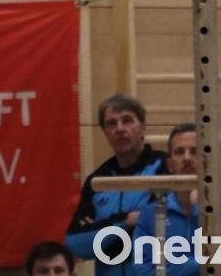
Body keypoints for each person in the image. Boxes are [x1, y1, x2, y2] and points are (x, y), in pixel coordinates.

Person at [66, 94, 168, 276]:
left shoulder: (165, 167)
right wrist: (126, 221)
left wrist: (102, 235)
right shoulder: (97, 180)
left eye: (127, 120)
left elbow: (163, 232)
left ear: (143, 128)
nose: (119, 129)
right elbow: (75, 242)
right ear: (105, 132)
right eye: (111, 123)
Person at [132, 123, 221, 276]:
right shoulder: (149, 214)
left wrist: (200, 211)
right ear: (170, 164)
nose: (187, 158)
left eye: (195, 152)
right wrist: (211, 248)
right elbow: (141, 271)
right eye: (179, 152)